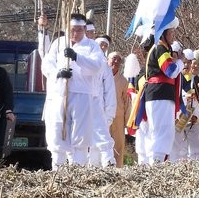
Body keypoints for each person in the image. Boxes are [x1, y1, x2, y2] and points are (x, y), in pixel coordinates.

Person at [41, 13, 108, 167]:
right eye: (72, 30)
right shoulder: (59, 43)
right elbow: (46, 64)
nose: (74, 33)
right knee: (59, 132)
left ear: (84, 29)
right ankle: (58, 170)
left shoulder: (92, 46)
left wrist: (77, 57)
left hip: (83, 95)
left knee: (81, 136)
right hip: (61, 94)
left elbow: (98, 65)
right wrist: (57, 73)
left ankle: (79, 169)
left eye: (78, 30)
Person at [140, 18, 186, 164]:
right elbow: (170, 71)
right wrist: (180, 62)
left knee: (162, 131)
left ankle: (157, 161)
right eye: (171, 32)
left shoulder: (161, 48)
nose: (173, 35)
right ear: (164, 33)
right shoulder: (160, 48)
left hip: (160, 94)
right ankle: (156, 163)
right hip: (160, 94)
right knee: (161, 131)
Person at [107, 52, 132, 167]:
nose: (116, 62)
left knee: (118, 145)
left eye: (118, 60)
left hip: (118, 118)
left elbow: (127, 102)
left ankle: (118, 169)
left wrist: (127, 121)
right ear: (108, 60)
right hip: (103, 117)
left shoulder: (123, 81)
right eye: (114, 59)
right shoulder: (102, 77)